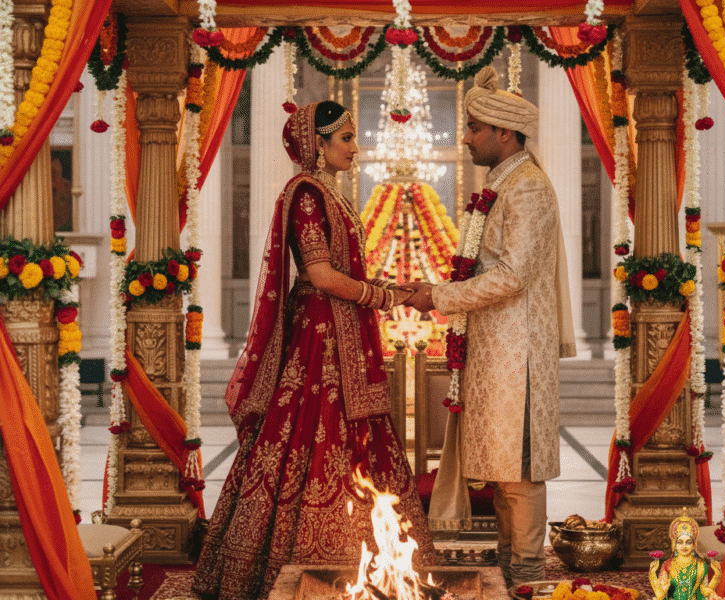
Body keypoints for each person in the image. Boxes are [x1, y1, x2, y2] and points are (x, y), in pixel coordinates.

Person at [192, 101, 436, 600]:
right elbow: (321, 276)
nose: (355, 146)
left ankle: (378, 560)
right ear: (317, 145)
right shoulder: (306, 193)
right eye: (345, 138)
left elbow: (341, 272)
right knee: (313, 433)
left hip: (346, 328)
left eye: (352, 136)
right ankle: (307, 567)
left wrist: (389, 286)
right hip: (320, 339)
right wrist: (383, 297)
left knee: (358, 437)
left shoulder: (332, 194)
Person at [404, 66, 576, 588]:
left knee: (518, 473)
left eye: (475, 127)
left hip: (516, 354)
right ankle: (507, 575)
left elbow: (513, 276)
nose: (466, 136)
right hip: (495, 348)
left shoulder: (526, 190)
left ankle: (525, 577)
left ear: (505, 133)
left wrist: (437, 295)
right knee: (503, 474)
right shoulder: (502, 185)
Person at [649, 508, 724, 600]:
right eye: (680, 542)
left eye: (688, 542)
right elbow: (660, 596)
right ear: (674, 545)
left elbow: (704, 592)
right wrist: (652, 575)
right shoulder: (667, 565)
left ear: (693, 545)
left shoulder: (700, 564)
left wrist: (717, 575)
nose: (684, 546)